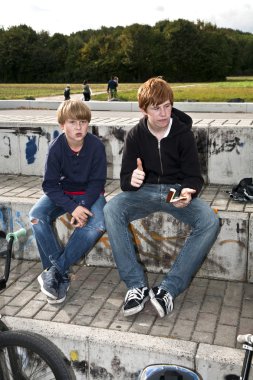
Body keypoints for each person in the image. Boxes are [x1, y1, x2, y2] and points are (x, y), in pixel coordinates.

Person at [104, 77, 220, 318]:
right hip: (145, 191)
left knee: (209, 220)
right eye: (156, 108)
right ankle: (136, 286)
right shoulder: (135, 135)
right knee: (111, 209)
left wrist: (188, 191)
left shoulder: (183, 133)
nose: (163, 113)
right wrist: (132, 179)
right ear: (143, 109)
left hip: (173, 191)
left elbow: (193, 177)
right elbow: (126, 179)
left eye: (167, 106)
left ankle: (168, 289)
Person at [29, 99, 107, 304]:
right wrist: (72, 208)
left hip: (91, 194)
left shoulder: (96, 146)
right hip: (63, 194)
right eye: (72, 122)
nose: (79, 127)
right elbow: (50, 186)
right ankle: (58, 274)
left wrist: (83, 206)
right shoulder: (56, 148)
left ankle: (54, 272)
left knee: (97, 224)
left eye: (83, 122)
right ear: (62, 125)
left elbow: (97, 182)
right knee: (36, 216)